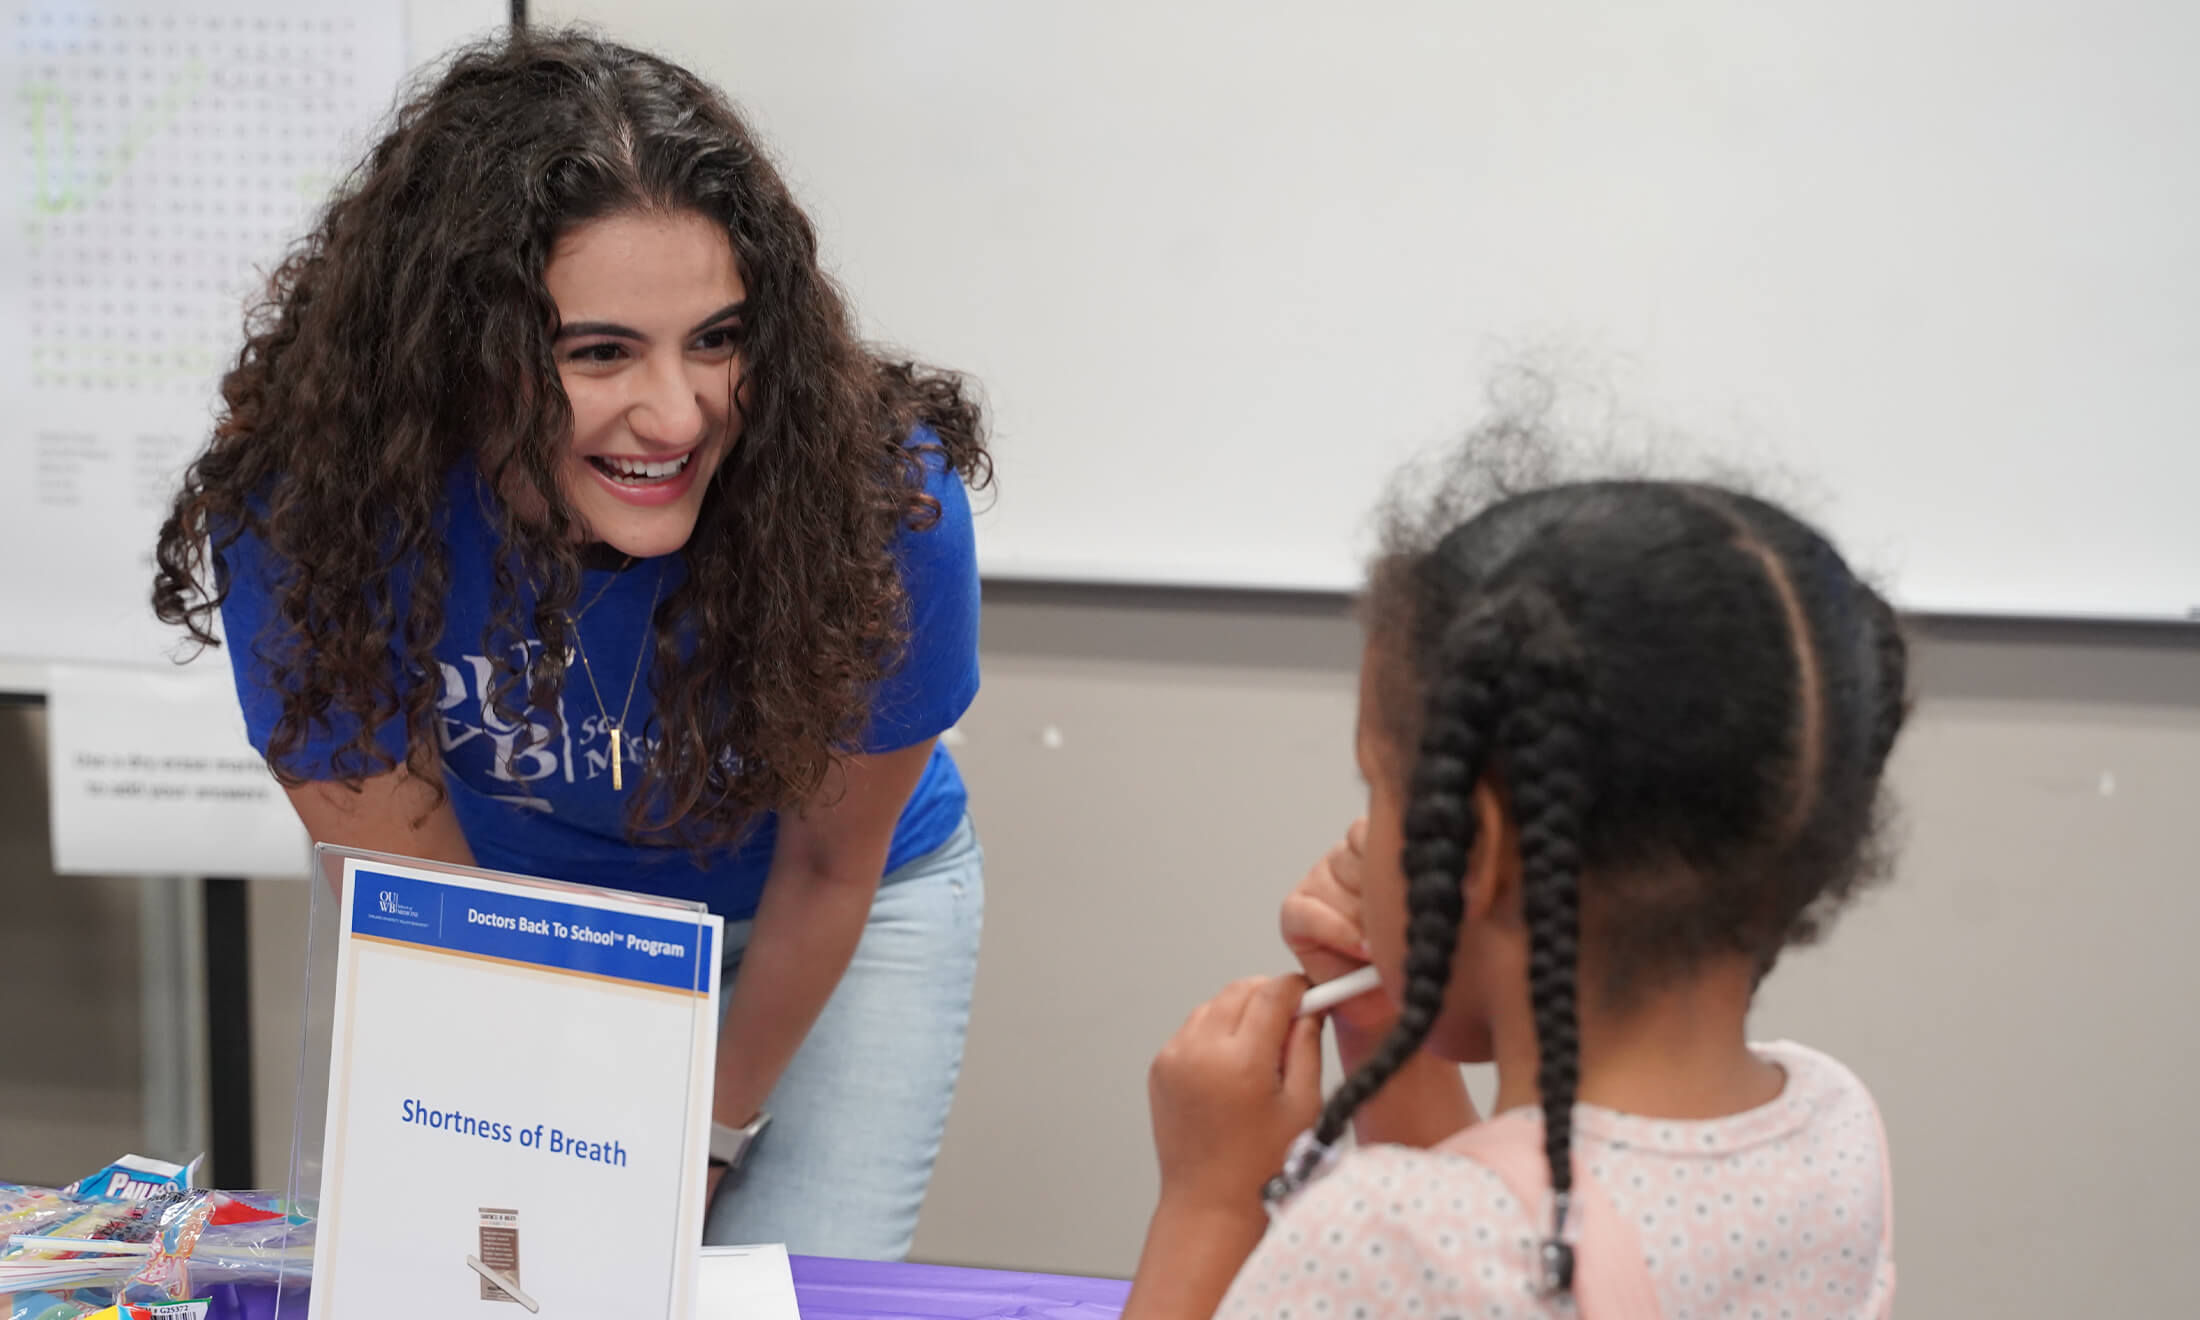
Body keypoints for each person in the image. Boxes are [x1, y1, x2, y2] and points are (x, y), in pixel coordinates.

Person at [151, 30, 991, 1260]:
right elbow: (431, 908)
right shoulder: (311, 511)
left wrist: (696, 1145)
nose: (676, 413)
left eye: (718, 338)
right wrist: (568, 1173)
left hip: (821, 917)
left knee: (783, 1287)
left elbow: (828, 869)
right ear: (456, 352)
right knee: (518, 1270)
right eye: (598, 353)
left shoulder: (873, 500)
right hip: (516, 923)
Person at [1123, 445, 1906, 1316]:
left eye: (1378, 788)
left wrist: (1212, 1201)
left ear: (1475, 852)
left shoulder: (1375, 1244)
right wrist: (1391, 1030)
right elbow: (1529, 1235)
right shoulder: (1833, 1129)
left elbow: (1467, 1254)